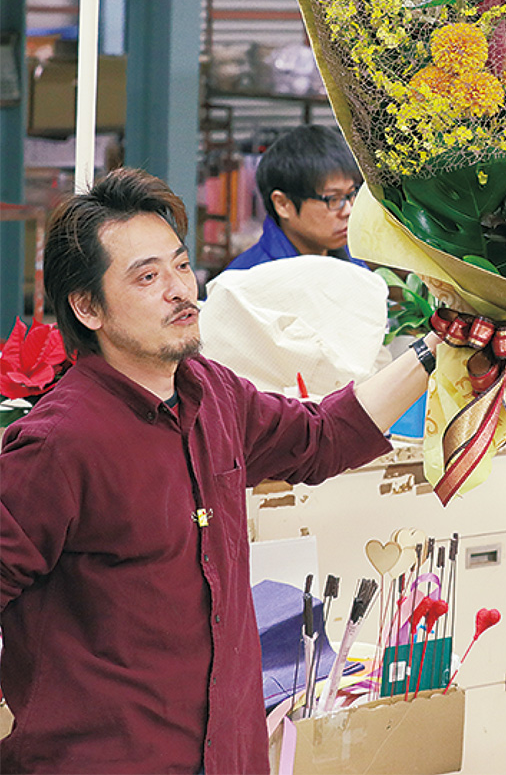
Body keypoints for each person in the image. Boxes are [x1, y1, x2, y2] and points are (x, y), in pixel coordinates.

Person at [0, 168, 442, 774]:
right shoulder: (59, 443)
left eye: (181, 267)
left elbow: (320, 437)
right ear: (87, 307)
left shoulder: (213, 392)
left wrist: (436, 349)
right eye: (148, 277)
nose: (180, 290)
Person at [226, 124, 364, 270]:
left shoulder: (353, 263)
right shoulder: (250, 281)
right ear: (283, 204)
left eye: (351, 194)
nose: (348, 210)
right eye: (334, 199)